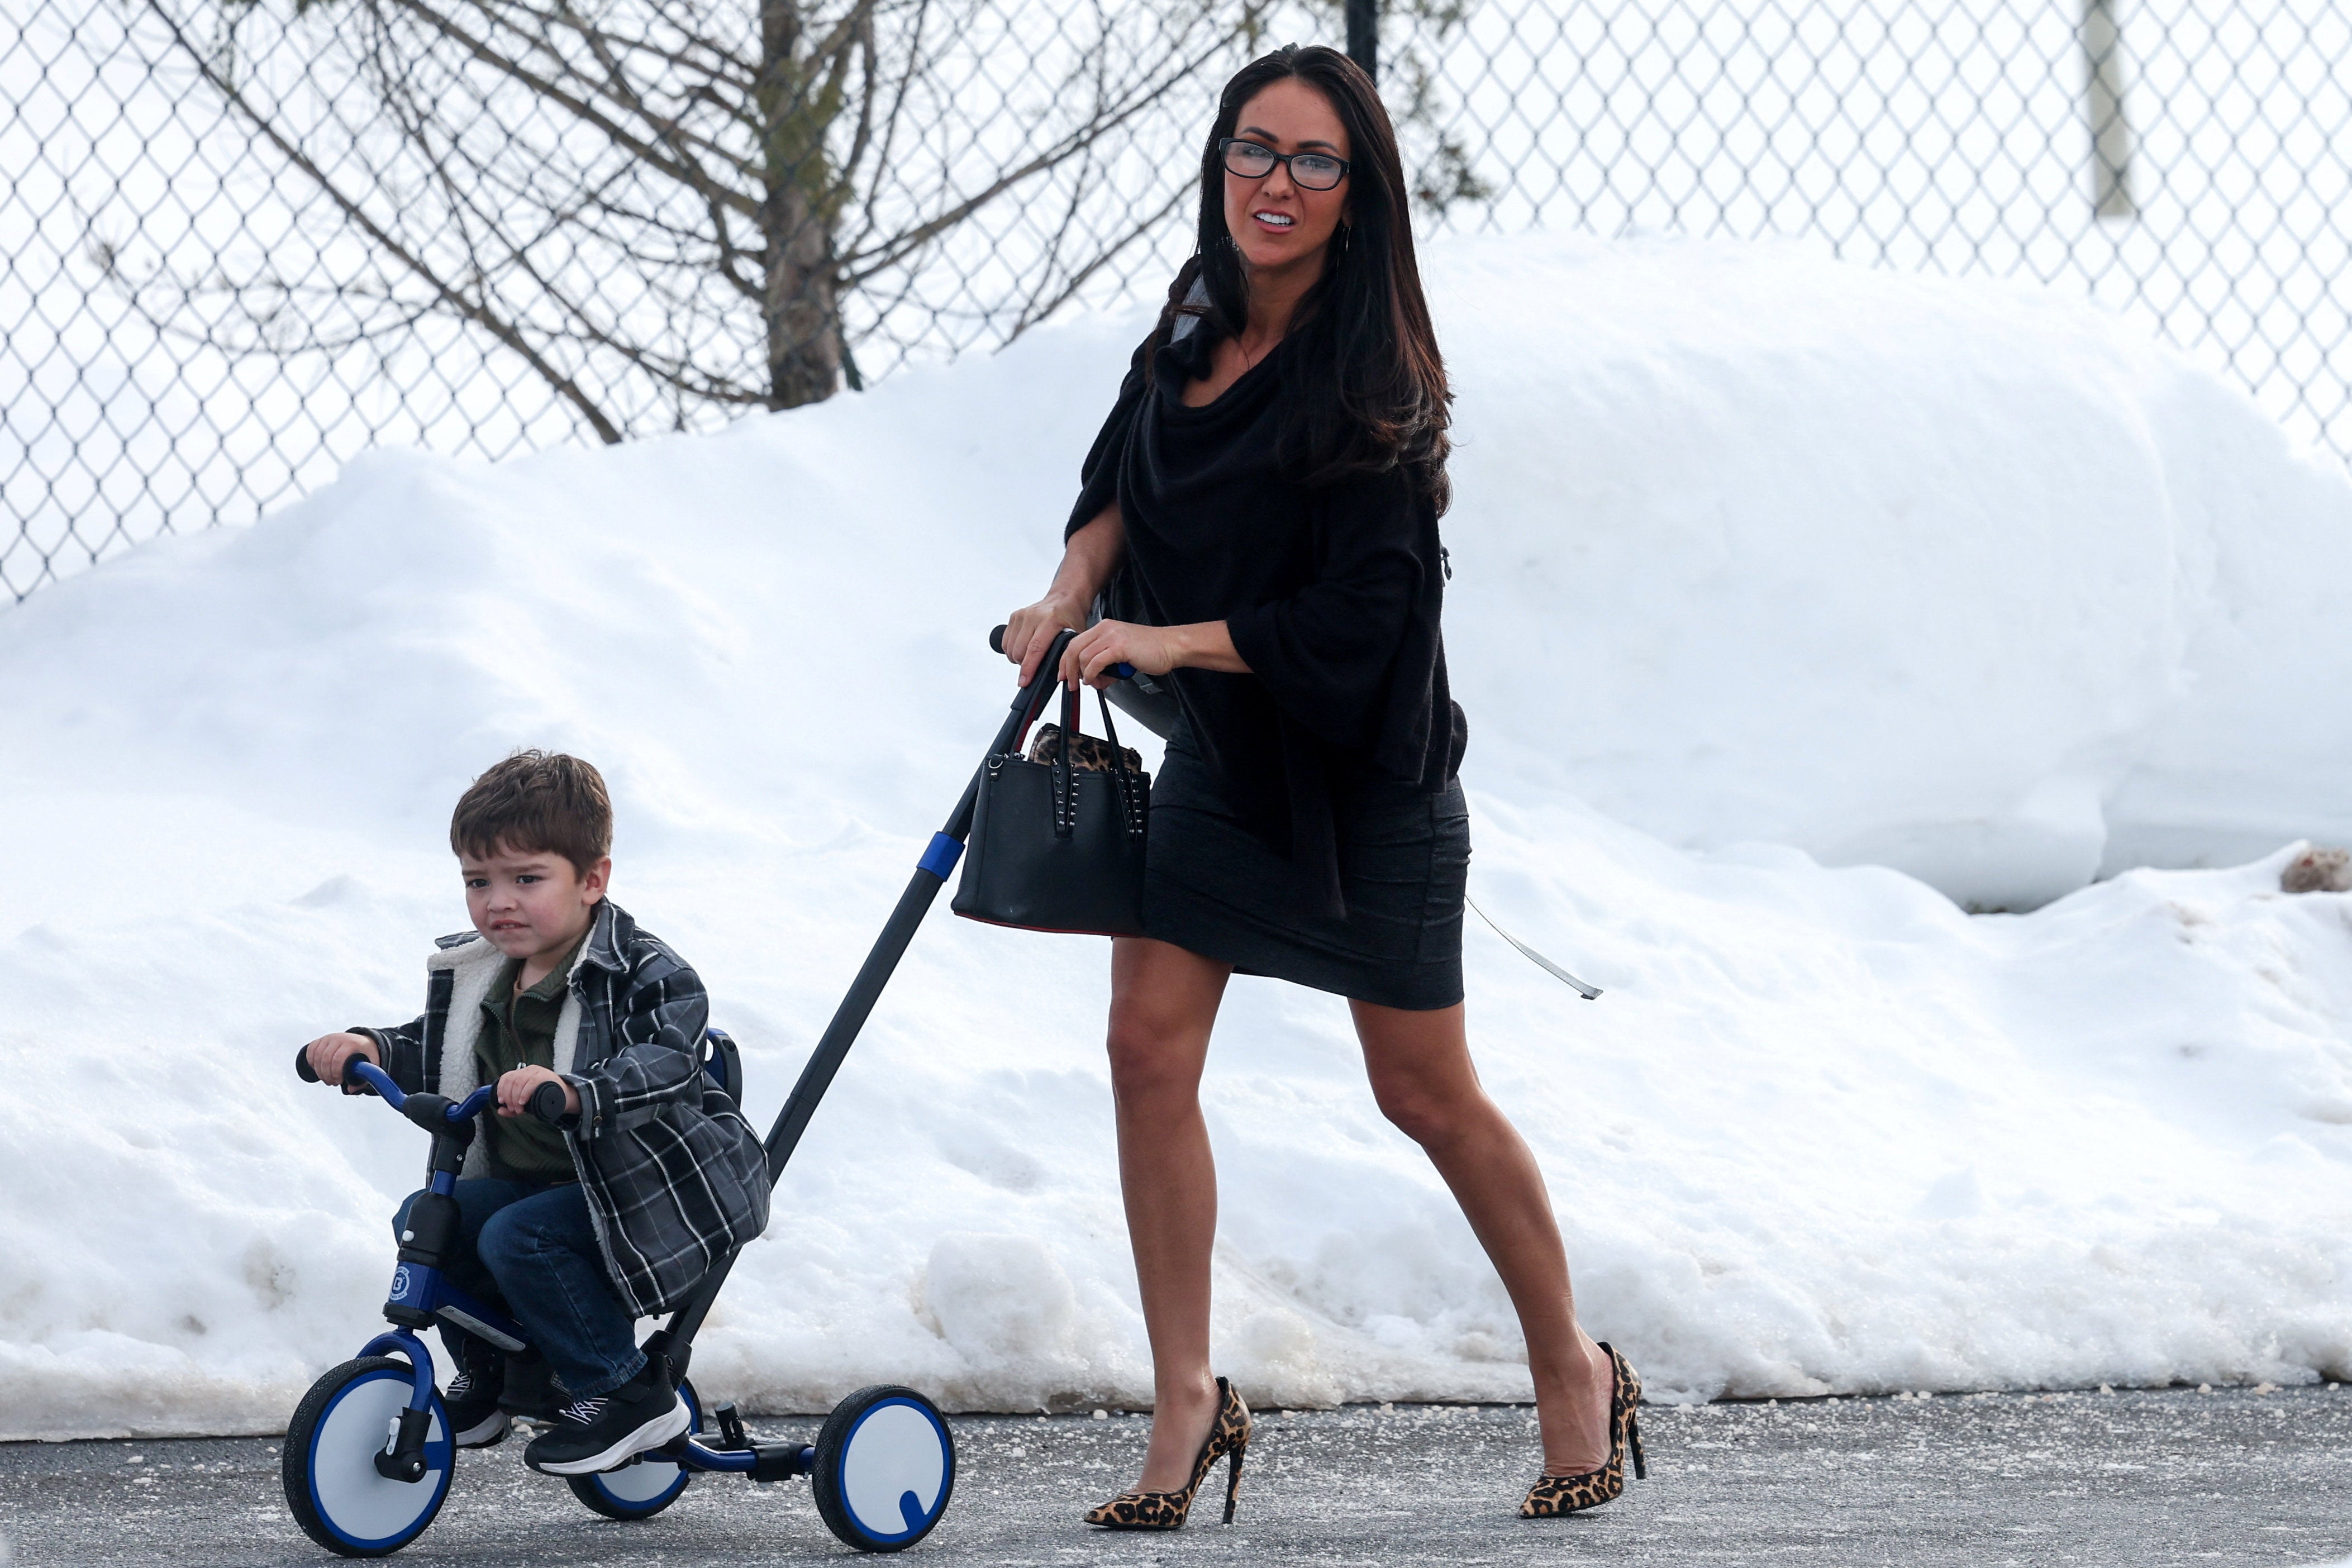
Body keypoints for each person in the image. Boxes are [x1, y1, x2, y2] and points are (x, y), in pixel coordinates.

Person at [999, 42, 1645, 1529]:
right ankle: (1186, 1401)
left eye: (1310, 161)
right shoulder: (1188, 326)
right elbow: (1114, 491)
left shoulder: (1376, 384)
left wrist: (1162, 636)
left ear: (1357, 198)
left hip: (1368, 788)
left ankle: (1571, 1361)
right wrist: (1062, 597)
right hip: (1229, 764)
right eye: (1251, 149)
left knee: (1422, 1091)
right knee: (1146, 1051)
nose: (1272, 183)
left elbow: (1371, 623)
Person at [297, 750, 770, 1476]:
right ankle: (493, 1375)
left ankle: (624, 1390)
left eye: (526, 879)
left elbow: (665, 1058)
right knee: (430, 1220)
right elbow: (445, 1050)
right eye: (478, 882)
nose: (498, 902)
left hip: (642, 1191)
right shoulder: (488, 972)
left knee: (523, 1236)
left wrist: (579, 1090)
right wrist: (372, 1049)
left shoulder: (644, 971)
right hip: (541, 1187)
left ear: (591, 880)